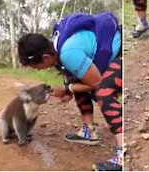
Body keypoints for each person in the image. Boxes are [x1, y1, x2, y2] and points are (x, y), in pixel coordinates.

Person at [17, 12, 122, 171]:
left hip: (121, 52)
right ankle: (89, 132)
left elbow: (96, 82)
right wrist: (69, 88)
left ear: (45, 57)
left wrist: (68, 89)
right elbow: (78, 76)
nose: (38, 69)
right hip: (102, 60)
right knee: (75, 81)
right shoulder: (56, 49)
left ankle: (122, 153)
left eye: (35, 66)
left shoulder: (67, 53)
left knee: (103, 92)